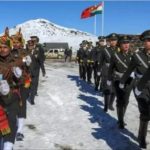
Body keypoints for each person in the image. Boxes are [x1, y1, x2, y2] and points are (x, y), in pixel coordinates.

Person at [120, 30, 150, 148]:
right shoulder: (137, 56)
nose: (149, 42)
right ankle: (141, 137)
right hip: (140, 87)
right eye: (147, 40)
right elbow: (129, 70)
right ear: (143, 42)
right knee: (145, 111)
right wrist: (122, 81)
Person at [0, 33, 23, 150]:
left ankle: (8, 146)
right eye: (0, 47)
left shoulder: (15, 61)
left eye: (5, 47)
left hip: (11, 96)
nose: (2, 49)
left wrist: (19, 77)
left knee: (11, 121)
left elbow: (20, 82)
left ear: (9, 48)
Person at [107, 35, 133, 129]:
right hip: (118, 80)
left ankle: (121, 117)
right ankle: (120, 121)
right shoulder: (115, 56)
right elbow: (110, 69)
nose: (126, 45)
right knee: (120, 100)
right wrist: (109, 79)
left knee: (126, 101)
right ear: (120, 45)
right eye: (124, 43)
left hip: (130, 81)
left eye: (127, 43)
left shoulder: (133, 55)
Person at [98, 33, 119, 112]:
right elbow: (101, 61)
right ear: (109, 41)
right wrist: (99, 70)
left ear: (117, 41)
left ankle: (111, 104)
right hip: (107, 71)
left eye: (115, 40)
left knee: (114, 89)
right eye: (111, 40)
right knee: (107, 89)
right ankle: (106, 105)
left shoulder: (119, 49)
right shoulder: (105, 50)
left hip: (117, 72)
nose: (113, 42)